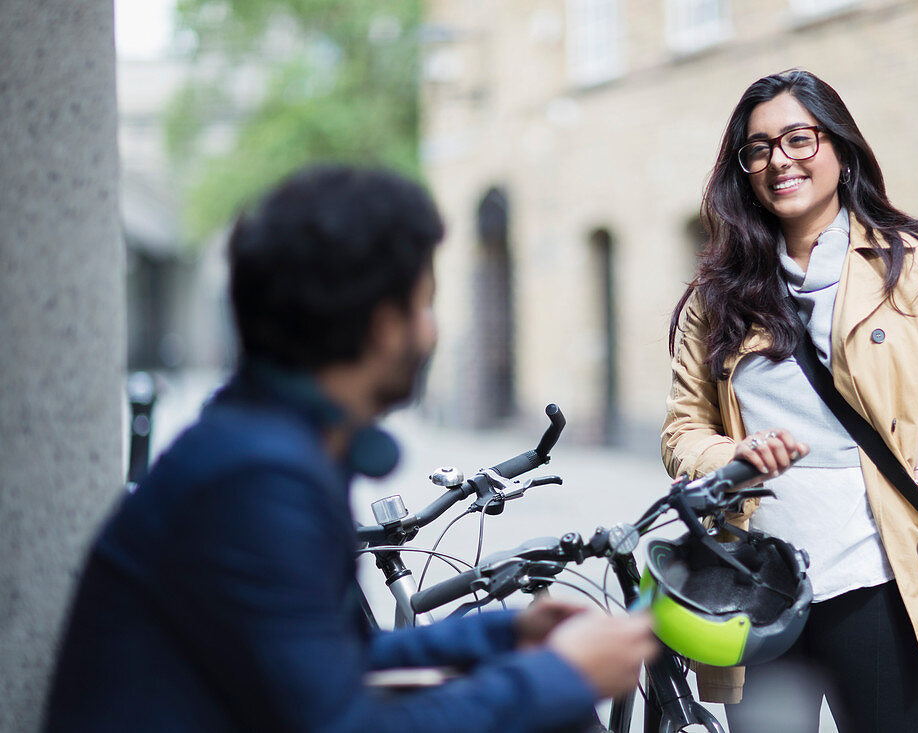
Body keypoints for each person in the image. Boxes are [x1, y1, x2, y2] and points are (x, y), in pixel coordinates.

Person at [45, 166, 657, 732]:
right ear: (383, 325)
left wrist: (504, 635)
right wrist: (564, 677)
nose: (431, 329)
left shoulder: (266, 440)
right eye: (424, 303)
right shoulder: (257, 479)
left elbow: (331, 660)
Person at [661, 69, 918, 732]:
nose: (779, 160)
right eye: (758, 148)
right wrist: (735, 455)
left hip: (881, 585)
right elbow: (682, 432)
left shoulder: (914, 262)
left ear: (840, 150)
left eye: (799, 138)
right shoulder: (718, 293)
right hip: (756, 590)